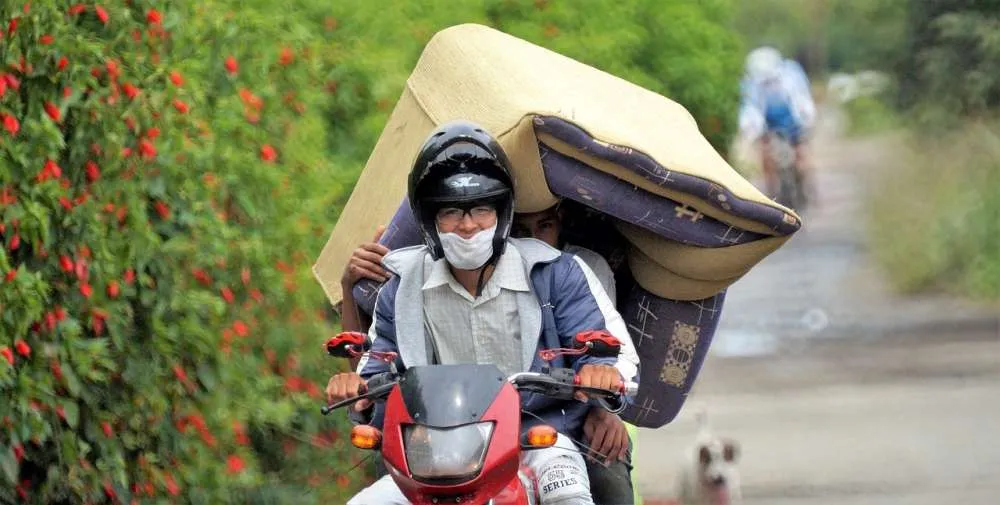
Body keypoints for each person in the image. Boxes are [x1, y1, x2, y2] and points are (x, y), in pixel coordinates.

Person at [326, 120, 640, 505]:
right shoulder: (400, 288)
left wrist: (601, 372)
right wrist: (356, 390)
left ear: (503, 213)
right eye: (451, 212)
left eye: (481, 209)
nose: (468, 225)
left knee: (571, 496)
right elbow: (376, 367)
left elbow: (611, 351)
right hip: (439, 454)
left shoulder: (557, 272)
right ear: (429, 221)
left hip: (543, 438)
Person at [739, 46, 817, 203]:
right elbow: (750, 109)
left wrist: (806, 122)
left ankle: (806, 184)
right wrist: (752, 131)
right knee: (765, 153)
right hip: (768, 122)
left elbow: (803, 101)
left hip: (794, 119)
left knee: (801, 153)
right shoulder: (750, 84)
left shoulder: (792, 76)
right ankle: (771, 193)